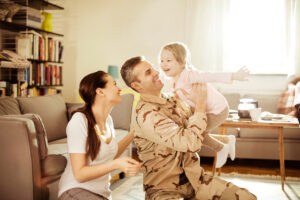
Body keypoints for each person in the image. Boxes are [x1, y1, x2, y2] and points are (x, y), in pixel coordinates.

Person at [121, 56, 257, 200]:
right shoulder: (147, 115)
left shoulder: (173, 100)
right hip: (165, 190)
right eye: (148, 72)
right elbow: (190, 142)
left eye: (153, 68)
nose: (156, 72)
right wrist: (200, 105)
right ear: (137, 86)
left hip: (196, 182)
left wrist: (199, 100)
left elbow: (197, 128)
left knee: (247, 198)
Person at [159, 42, 250, 168]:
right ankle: (227, 141)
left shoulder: (189, 74)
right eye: (162, 60)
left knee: (197, 133)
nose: (164, 64)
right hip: (204, 110)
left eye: (168, 60)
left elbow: (209, 76)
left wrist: (234, 75)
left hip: (218, 110)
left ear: (182, 63)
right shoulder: (174, 81)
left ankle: (221, 147)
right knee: (191, 131)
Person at [58, 71, 142, 200]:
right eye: (114, 84)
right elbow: (79, 174)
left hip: (101, 193)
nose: (119, 89)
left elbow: (110, 153)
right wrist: (117, 164)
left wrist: (134, 133)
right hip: (75, 190)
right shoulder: (79, 121)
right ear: (100, 91)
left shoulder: (107, 120)